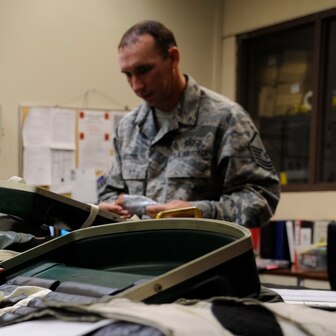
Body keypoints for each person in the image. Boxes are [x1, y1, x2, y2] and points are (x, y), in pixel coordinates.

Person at [98, 20, 280, 228]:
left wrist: (198, 213)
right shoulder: (128, 128)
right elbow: (110, 192)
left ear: (173, 58)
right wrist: (107, 209)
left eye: (144, 70)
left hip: (206, 256)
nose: (136, 85)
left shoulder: (226, 118)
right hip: (144, 256)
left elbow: (262, 198)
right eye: (128, 75)